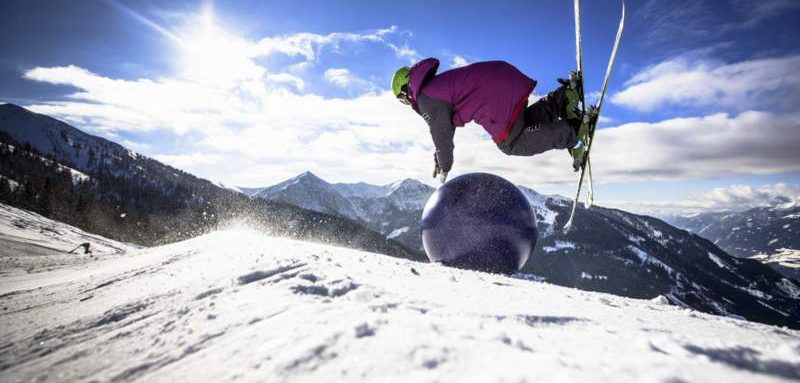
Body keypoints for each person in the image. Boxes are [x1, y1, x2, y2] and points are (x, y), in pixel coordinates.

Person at [391, 57, 588, 183]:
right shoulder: (435, 88)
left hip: (494, 96)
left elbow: (441, 135)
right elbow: (443, 128)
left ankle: (574, 133)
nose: (406, 104)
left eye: (402, 100)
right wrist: (439, 156)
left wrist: (444, 167)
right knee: (519, 126)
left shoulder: (426, 99)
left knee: (510, 144)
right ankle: (565, 97)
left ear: (406, 90)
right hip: (501, 78)